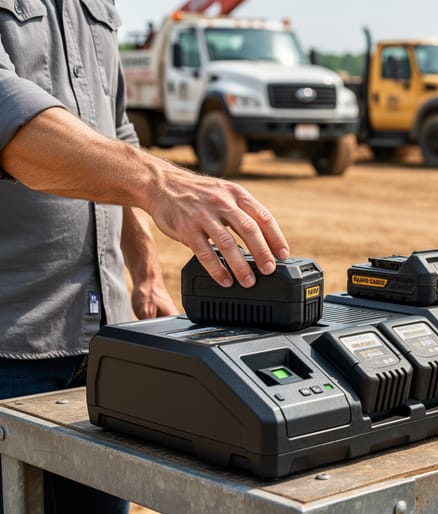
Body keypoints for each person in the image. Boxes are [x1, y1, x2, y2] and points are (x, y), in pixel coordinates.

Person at [0, 1, 289, 512]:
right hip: (10, 344)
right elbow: (10, 124)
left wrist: (145, 271)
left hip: (103, 342)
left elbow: (115, 132)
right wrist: (161, 181)